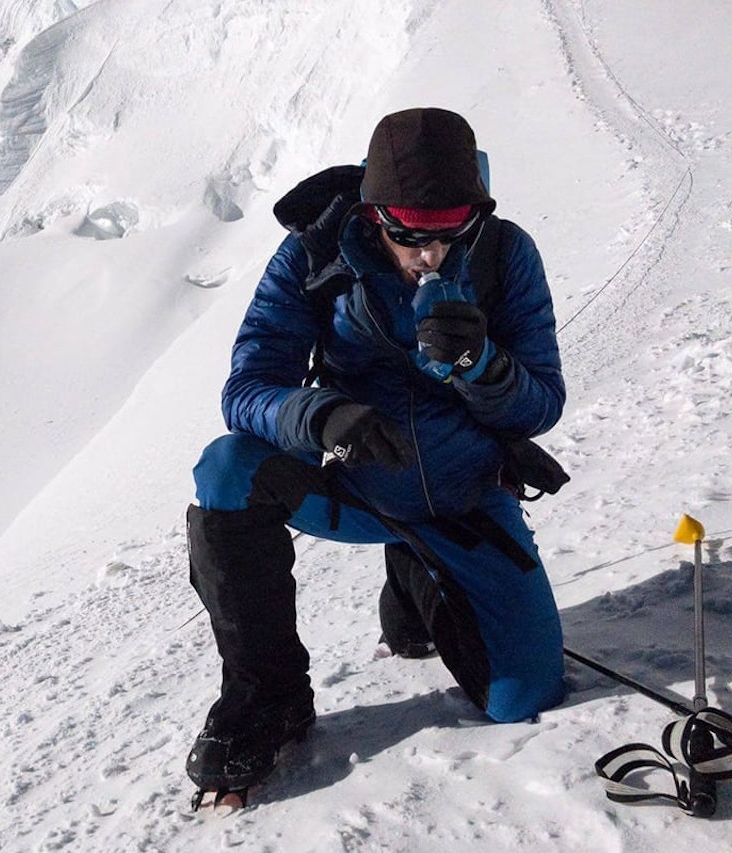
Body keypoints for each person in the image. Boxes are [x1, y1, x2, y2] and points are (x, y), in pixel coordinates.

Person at [185, 107, 567, 800]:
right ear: (372, 214)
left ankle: (418, 578)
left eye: (450, 235)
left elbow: (542, 401)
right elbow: (247, 387)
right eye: (407, 236)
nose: (429, 256)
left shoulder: (507, 254)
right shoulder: (314, 255)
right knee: (226, 469)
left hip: (460, 497)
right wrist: (320, 414)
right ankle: (268, 697)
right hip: (351, 483)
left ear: (475, 213)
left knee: (522, 694)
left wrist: (481, 364)